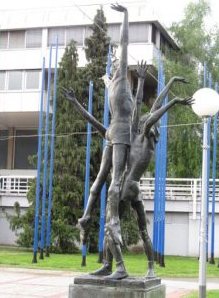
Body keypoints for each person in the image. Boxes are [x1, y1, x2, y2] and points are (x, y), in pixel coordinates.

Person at [62, 70, 192, 279]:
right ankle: (149, 267)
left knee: (110, 226)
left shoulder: (141, 136)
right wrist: (171, 82)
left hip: (125, 187)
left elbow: (155, 112)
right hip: (135, 188)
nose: (146, 120)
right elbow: (155, 105)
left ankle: (116, 267)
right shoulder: (145, 141)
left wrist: (174, 101)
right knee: (142, 229)